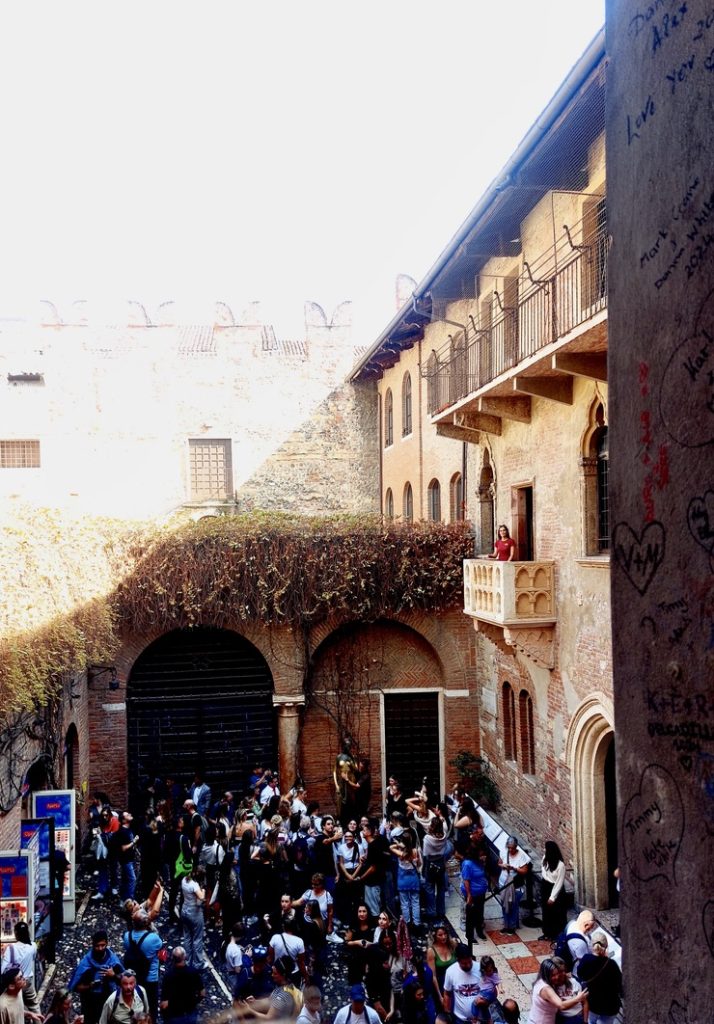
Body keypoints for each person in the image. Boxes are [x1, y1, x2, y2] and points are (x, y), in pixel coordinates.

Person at [68, 931, 124, 1024]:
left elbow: (124, 981)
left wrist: (113, 975)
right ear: (93, 945)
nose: (100, 948)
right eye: (97, 946)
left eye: (103, 945)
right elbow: (76, 987)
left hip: (108, 1001)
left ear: (107, 943)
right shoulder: (85, 964)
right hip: (90, 1004)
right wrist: (90, 986)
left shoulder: (113, 961)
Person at [122, 910, 163, 1021]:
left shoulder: (127, 936)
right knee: (151, 1007)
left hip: (134, 978)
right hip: (150, 978)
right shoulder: (154, 938)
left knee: (136, 1007)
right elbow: (162, 955)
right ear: (147, 923)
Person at [577, 930, 623, 1024]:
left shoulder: (586, 959)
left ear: (592, 945)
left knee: (591, 1021)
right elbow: (619, 985)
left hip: (593, 1003)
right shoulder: (611, 964)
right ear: (606, 946)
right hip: (610, 1005)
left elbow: (580, 974)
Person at [525, 958, 587, 1024]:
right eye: (553, 975)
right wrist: (577, 999)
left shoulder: (540, 982)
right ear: (546, 974)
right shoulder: (546, 989)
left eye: (557, 973)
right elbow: (561, 1005)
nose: (557, 977)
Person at [442, 944, 490, 1024]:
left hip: (481, 1019)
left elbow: (492, 990)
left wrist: (487, 1001)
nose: (468, 965)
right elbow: (447, 994)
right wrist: (447, 1014)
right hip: (461, 1020)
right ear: (457, 960)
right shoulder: (450, 972)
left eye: (469, 962)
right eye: (464, 963)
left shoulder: (481, 969)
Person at [1, 922, 41, 1016]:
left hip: (16, 983)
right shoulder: (33, 946)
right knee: (34, 1006)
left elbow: (3, 970)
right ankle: (38, 1020)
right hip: (28, 981)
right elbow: (33, 958)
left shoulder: (11, 949)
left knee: (18, 1007)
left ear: (16, 933)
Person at [497, 836, 530, 935]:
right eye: (509, 847)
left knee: (514, 905)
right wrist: (503, 866)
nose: (510, 850)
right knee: (504, 904)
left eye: (512, 848)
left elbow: (525, 870)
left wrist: (514, 868)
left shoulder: (521, 856)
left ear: (516, 847)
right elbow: (499, 863)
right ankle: (506, 925)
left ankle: (512, 926)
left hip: (515, 885)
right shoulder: (503, 852)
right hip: (503, 883)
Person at [390, 830, 422, 929]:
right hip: (413, 879)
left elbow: (390, 847)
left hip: (402, 880)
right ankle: (417, 923)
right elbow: (419, 864)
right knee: (415, 902)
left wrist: (400, 844)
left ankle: (407, 923)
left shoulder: (400, 853)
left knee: (404, 903)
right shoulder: (415, 851)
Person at [180, 864, 207, 971]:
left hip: (184, 910)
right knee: (197, 938)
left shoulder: (184, 880)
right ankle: (198, 963)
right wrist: (203, 890)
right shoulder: (194, 885)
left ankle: (186, 960)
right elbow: (201, 898)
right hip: (194, 913)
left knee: (187, 937)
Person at [539, 842, 567, 941]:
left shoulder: (561, 865)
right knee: (546, 912)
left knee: (557, 913)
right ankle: (547, 932)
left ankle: (557, 935)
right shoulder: (545, 858)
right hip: (545, 886)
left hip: (555, 889)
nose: (544, 850)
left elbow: (559, 882)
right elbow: (543, 871)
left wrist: (552, 897)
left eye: (546, 849)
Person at [461, 849, 488, 948]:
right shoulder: (467, 864)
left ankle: (479, 931)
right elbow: (466, 880)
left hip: (481, 892)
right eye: (481, 855)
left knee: (480, 912)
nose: (483, 856)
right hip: (472, 893)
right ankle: (469, 935)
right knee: (471, 914)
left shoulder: (480, 863)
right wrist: (469, 895)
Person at [426, 925, 458, 1006]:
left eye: (445, 934)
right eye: (440, 935)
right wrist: (440, 996)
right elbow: (433, 976)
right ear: (434, 936)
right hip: (442, 984)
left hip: (455, 982)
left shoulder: (452, 944)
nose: (443, 937)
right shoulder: (431, 951)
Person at [345, 904, 375, 985]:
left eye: (364, 911)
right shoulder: (353, 925)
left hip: (370, 955)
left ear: (367, 913)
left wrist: (369, 944)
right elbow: (347, 942)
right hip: (356, 957)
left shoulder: (373, 925)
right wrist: (357, 942)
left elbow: (377, 943)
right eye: (360, 911)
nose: (362, 914)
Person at [565, 910, 596, 978]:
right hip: (579, 972)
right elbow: (584, 962)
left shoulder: (572, 924)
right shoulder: (579, 942)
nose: (591, 930)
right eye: (590, 928)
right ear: (586, 925)